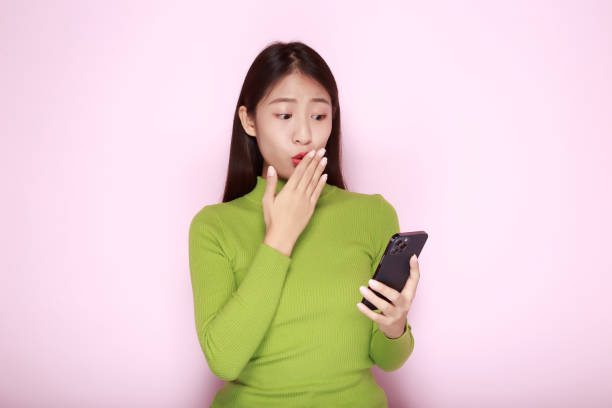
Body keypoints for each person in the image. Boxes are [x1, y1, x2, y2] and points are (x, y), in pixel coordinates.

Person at [188, 40, 420, 407]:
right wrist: (279, 238)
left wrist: (394, 327)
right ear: (249, 120)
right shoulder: (214, 226)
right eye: (284, 116)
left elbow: (388, 360)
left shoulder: (374, 215)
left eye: (319, 116)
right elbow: (224, 360)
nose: (304, 135)